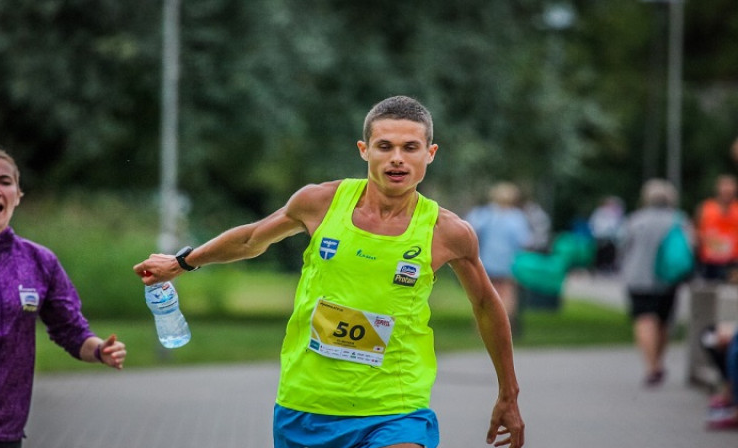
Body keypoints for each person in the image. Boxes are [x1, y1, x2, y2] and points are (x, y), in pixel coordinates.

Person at [134, 96, 525, 448]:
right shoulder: (319, 203)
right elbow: (252, 239)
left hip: (394, 407)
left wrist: (509, 394)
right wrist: (181, 263)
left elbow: (487, 306)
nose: (397, 159)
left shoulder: (448, 232)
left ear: (431, 153)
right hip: (306, 403)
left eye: (411, 148)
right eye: (384, 146)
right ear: (364, 150)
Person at [0, 129, 127, 448]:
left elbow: (70, 330)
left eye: (4, 181)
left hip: (3, 427)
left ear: (18, 195)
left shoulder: (39, 261)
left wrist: (98, 350)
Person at [618, 178, 693, 387]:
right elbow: (689, 248)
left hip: (637, 277)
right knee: (663, 321)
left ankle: (651, 367)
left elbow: (623, 247)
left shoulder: (635, 220)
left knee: (644, 319)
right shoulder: (679, 220)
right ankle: (658, 361)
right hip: (667, 279)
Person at [465, 182, 533, 325]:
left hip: (486, 261)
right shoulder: (516, 218)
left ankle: (481, 325)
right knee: (507, 294)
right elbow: (524, 241)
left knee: (483, 295)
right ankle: (504, 325)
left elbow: (470, 231)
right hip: (508, 262)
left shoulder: (484, 214)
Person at [694, 174, 738, 282]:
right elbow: (696, 231)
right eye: (724, 189)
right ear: (718, 189)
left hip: (733, 263)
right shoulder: (706, 208)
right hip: (709, 263)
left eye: (730, 190)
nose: (727, 193)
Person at [588, 195, 625, 274]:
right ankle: (600, 266)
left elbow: (618, 225)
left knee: (610, 249)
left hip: (611, 237)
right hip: (600, 236)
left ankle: (609, 265)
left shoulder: (615, 212)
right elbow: (595, 224)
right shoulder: (600, 212)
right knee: (602, 249)